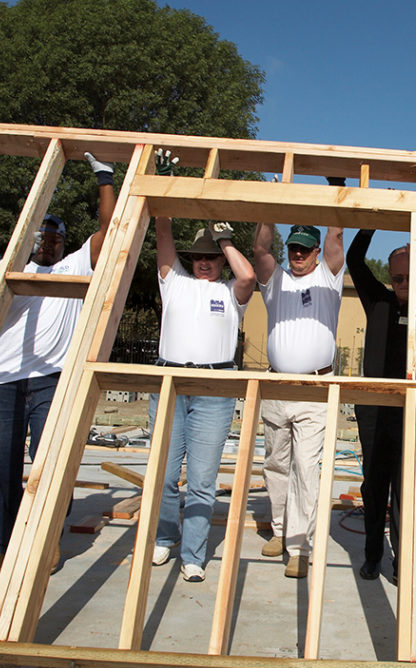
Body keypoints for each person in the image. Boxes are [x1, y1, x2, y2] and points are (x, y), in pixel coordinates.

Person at [0, 152, 114, 575]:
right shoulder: (6, 268)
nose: (50, 244)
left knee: (51, 462)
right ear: (29, 238)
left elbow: (110, 229)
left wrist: (104, 179)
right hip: (0, 379)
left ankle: (45, 541)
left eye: (56, 238)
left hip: (52, 380)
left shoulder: (74, 265)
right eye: (43, 237)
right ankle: (3, 544)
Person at [148, 149, 256, 583]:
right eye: (200, 255)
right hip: (170, 380)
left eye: (212, 255)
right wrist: (165, 183)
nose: (205, 260)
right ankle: (164, 537)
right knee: (163, 470)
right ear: (190, 260)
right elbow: (161, 232)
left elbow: (248, 278)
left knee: (203, 476)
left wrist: (224, 237)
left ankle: (193, 553)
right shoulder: (173, 283)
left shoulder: (231, 292)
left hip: (214, 386)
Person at [253, 202, 344, 579]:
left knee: (306, 468)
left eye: (305, 249)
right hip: (277, 385)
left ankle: (298, 545)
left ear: (316, 252)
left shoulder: (328, 277)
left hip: (316, 386)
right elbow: (260, 250)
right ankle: (278, 529)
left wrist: (335, 193)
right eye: (293, 248)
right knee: (275, 462)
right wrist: (270, 209)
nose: (299, 255)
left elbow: (337, 237)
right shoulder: (277, 280)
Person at [347, 230, 416, 583]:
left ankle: (402, 560)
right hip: (374, 408)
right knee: (375, 486)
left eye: (408, 276)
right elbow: (355, 261)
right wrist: (370, 222)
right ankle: (373, 555)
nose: (402, 283)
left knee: (406, 489)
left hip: (410, 411)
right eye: (397, 277)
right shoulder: (378, 301)